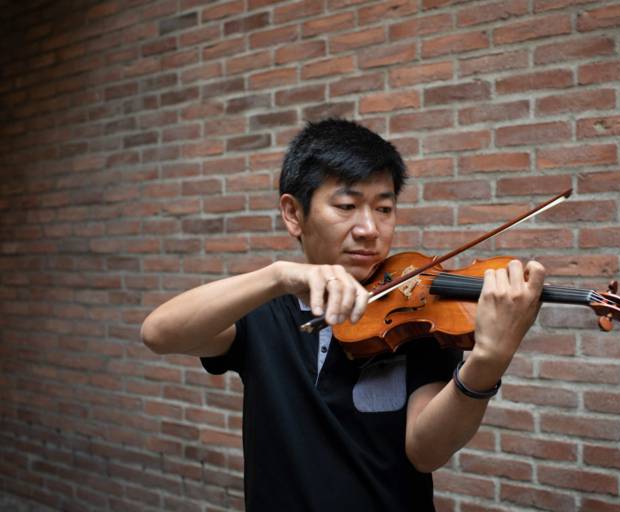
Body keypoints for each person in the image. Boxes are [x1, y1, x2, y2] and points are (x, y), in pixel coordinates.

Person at [141, 118, 545, 511]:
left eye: (384, 209)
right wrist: (278, 276)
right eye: (347, 205)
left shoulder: (417, 314)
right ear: (293, 214)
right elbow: (159, 333)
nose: (369, 228)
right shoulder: (261, 311)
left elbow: (425, 452)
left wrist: (488, 360)